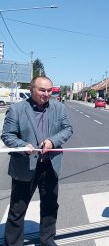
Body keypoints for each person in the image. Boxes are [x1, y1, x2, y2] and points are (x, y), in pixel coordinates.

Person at [1, 76, 73, 246]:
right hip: (25, 166)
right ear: (32, 89)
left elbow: (67, 129)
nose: (46, 94)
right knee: (18, 209)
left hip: (50, 165)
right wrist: (22, 145)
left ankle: (47, 239)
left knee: (50, 205)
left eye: (49, 90)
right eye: (42, 90)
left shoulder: (59, 108)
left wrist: (53, 141)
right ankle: (13, 242)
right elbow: (7, 135)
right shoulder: (17, 109)